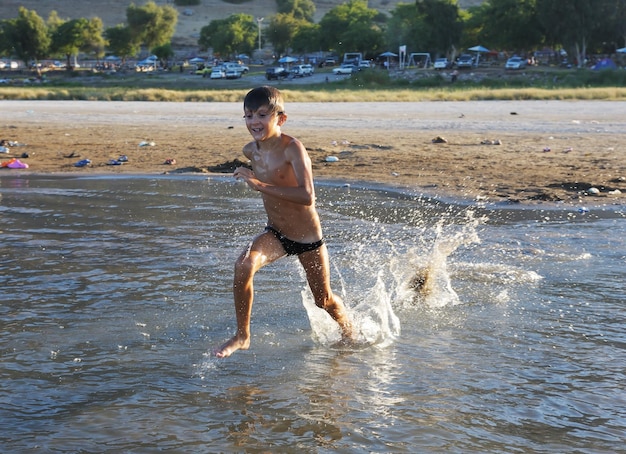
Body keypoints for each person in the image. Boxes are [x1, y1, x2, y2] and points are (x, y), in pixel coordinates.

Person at [215, 86, 353, 358]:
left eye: (262, 115)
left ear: (281, 118)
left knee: (323, 300)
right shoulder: (250, 151)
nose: (254, 122)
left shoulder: (293, 149)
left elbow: (307, 196)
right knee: (243, 265)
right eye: (249, 115)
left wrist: (258, 184)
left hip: (308, 240)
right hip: (276, 233)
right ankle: (242, 336)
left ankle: (349, 331)